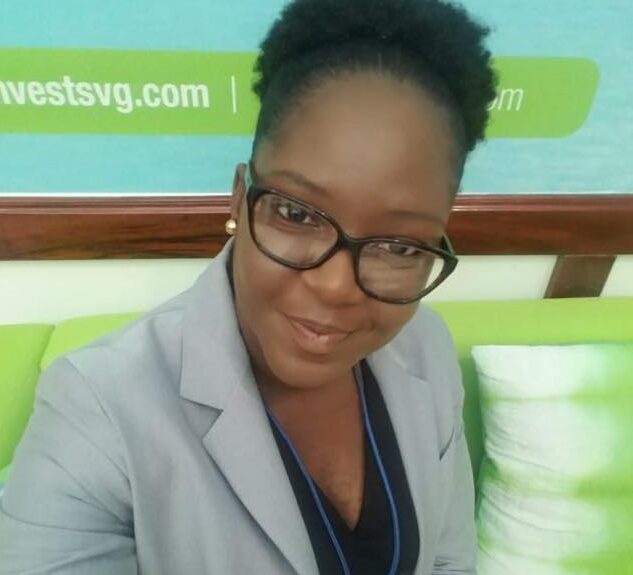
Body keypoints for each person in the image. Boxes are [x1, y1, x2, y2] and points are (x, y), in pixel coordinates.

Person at [0, 0, 496, 573]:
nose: (336, 287)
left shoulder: (425, 347)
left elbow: (448, 560)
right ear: (239, 199)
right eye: (296, 213)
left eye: (401, 246)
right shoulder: (98, 409)